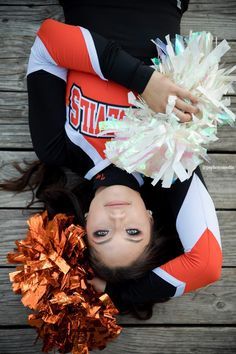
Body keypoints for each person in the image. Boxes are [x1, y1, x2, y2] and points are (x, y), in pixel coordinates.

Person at [1, 0, 222, 319]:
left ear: (86, 222)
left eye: (101, 234)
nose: (117, 222)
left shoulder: (60, 148)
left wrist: (145, 83)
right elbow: (207, 264)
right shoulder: (170, 165)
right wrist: (117, 294)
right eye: (133, 233)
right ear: (148, 218)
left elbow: (50, 40)